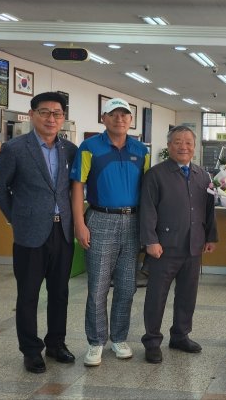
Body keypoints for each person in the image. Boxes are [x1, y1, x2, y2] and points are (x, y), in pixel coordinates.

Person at [0, 91, 77, 373]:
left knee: (60, 292)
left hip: (62, 231)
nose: (51, 119)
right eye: (45, 112)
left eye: (57, 114)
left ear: (63, 118)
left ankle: (56, 344)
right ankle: (31, 350)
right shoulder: (15, 148)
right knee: (28, 294)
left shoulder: (70, 149)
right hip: (29, 234)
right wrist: (16, 217)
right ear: (32, 115)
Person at [70, 98, 150, 367]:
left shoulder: (141, 150)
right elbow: (78, 186)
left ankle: (119, 337)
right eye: (113, 114)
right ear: (103, 118)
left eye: (124, 115)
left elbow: (149, 192)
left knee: (127, 287)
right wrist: (80, 223)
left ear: (131, 120)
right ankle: (95, 342)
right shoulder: (89, 147)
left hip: (132, 222)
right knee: (98, 287)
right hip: (100, 219)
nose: (119, 119)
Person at [139, 125, 217, 364]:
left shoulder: (202, 175)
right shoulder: (156, 174)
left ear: (195, 147)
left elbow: (209, 209)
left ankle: (180, 336)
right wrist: (150, 241)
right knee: (156, 296)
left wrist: (211, 237)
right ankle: (152, 341)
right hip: (164, 247)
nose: (183, 146)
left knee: (187, 295)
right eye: (177, 142)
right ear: (169, 145)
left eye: (188, 143)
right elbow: (147, 210)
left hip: (193, 246)